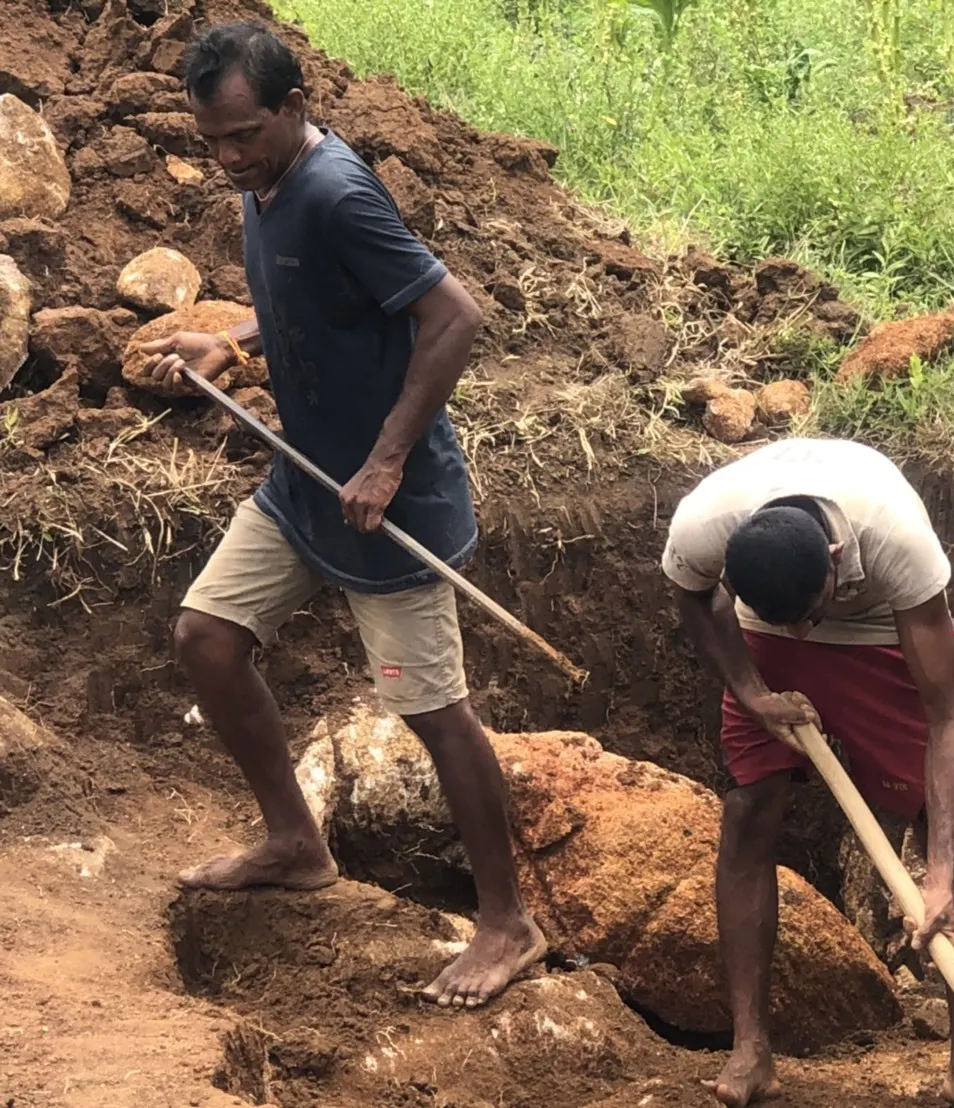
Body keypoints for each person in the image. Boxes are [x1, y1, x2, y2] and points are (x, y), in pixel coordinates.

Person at [140, 21, 546, 1009]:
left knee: (433, 712)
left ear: (293, 106)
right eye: (211, 141)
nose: (228, 158)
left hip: (385, 498)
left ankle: (507, 922)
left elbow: (453, 317)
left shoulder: (336, 193)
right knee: (206, 636)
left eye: (243, 136)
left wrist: (387, 458)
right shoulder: (267, 184)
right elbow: (315, 303)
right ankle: (294, 842)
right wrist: (231, 341)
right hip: (306, 481)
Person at [661, 437, 954, 1108]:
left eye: (811, 614)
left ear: (837, 556)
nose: (804, 633)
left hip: (880, 633)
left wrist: (935, 877)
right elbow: (693, 597)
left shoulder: (897, 541)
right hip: (758, 632)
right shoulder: (704, 525)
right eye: (793, 621)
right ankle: (751, 1050)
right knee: (746, 812)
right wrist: (751, 691)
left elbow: (948, 716)